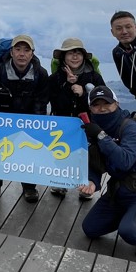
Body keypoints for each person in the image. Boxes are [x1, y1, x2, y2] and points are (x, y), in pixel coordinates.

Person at [80, 86, 136, 258]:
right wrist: (92, 181)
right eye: (96, 105)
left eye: (107, 103)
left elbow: (125, 161)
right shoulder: (95, 129)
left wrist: (101, 136)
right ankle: (133, 216)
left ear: (117, 104)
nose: (102, 108)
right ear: (90, 108)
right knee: (90, 228)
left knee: (132, 232)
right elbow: (96, 161)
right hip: (118, 192)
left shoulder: (130, 128)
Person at [0, 34, 49, 203]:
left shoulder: (40, 73)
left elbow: (41, 101)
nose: (22, 54)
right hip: (2, 117)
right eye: (17, 49)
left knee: (28, 149)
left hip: (29, 118)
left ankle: (29, 186)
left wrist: (35, 124)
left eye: (26, 50)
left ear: (32, 54)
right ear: (11, 52)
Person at [48, 37, 105, 199]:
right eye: (70, 53)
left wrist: (83, 94)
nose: (74, 56)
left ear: (84, 56)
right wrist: (67, 86)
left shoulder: (94, 77)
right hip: (63, 123)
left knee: (89, 154)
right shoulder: (55, 79)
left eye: (78, 53)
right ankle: (61, 183)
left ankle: (86, 185)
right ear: (63, 57)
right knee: (61, 153)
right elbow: (56, 103)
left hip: (88, 124)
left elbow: (102, 102)